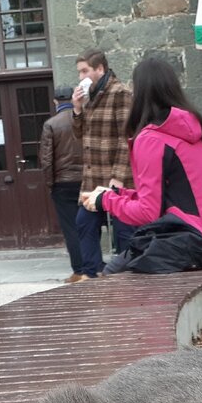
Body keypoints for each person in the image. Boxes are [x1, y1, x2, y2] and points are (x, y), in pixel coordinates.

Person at [82, 58, 202, 272]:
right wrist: (116, 193)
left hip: (192, 239)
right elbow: (172, 197)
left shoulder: (151, 139)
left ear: (141, 92)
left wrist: (106, 201)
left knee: (113, 273)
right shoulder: (188, 128)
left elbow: (148, 213)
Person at [71, 49, 135, 280]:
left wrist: (118, 175)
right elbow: (81, 136)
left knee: (124, 229)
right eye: (79, 72)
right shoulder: (90, 96)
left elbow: (127, 137)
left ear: (100, 69)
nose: (81, 77)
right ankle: (92, 274)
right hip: (92, 177)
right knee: (84, 223)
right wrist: (77, 109)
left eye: (85, 71)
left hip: (115, 178)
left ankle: (130, 274)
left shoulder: (121, 93)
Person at [40, 85, 85, 283]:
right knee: (88, 226)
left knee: (71, 228)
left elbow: (46, 159)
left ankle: (79, 270)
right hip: (86, 180)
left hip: (63, 183)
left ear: (55, 101)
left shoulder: (51, 124)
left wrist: (50, 184)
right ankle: (94, 266)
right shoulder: (84, 119)